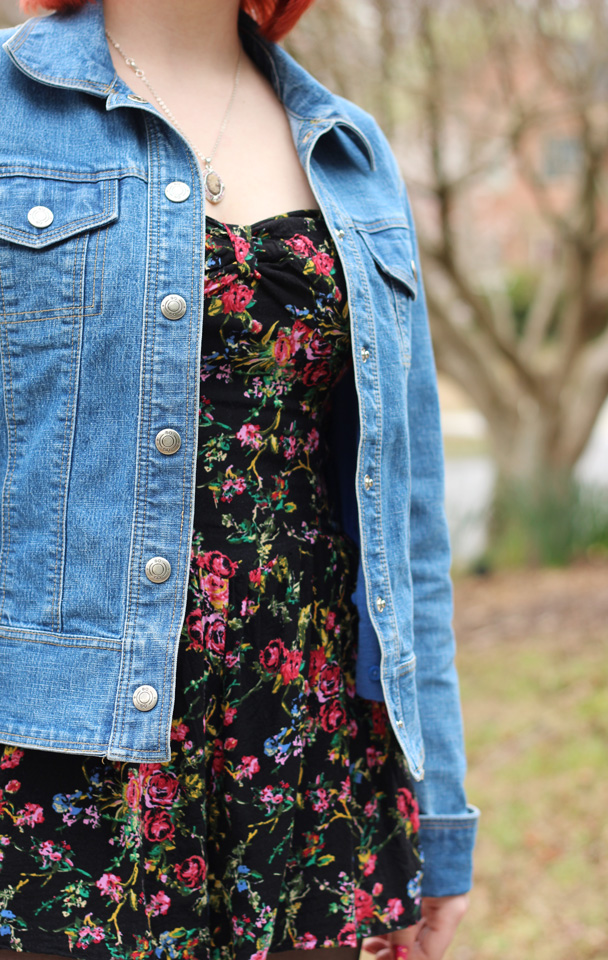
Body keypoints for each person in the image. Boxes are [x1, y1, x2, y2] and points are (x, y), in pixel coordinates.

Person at [0, 1, 480, 959]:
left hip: (309, 750)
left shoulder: (351, 150)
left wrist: (440, 815)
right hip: (63, 749)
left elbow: (408, 518)